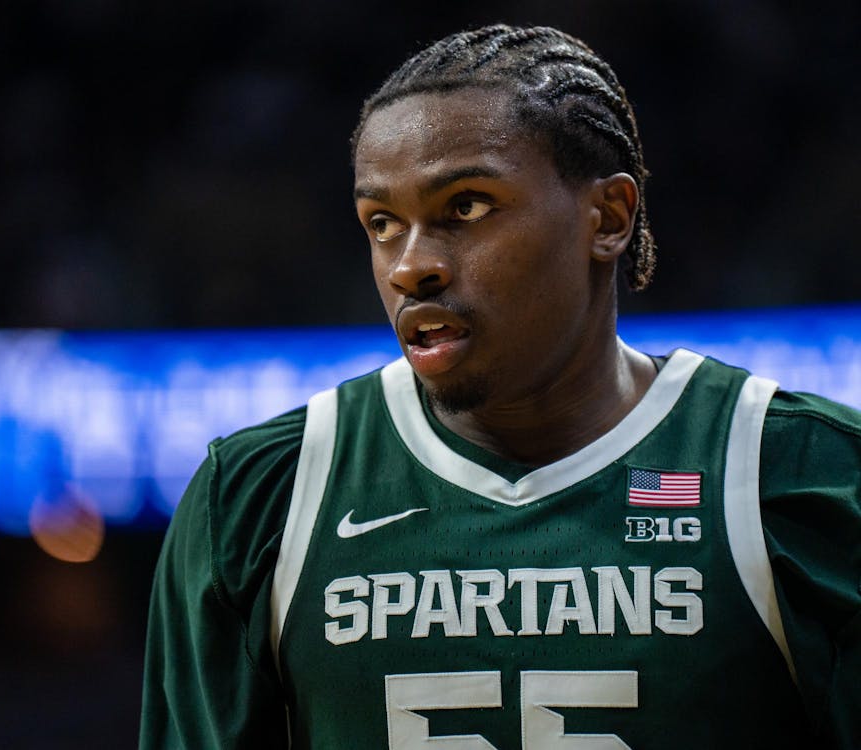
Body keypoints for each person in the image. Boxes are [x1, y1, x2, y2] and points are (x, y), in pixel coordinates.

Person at [140, 24, 860, 749]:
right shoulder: (260, 498)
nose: (410, 267)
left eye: (466, 208)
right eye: (382, 223)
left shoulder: (809, 478)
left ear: (609, 218)